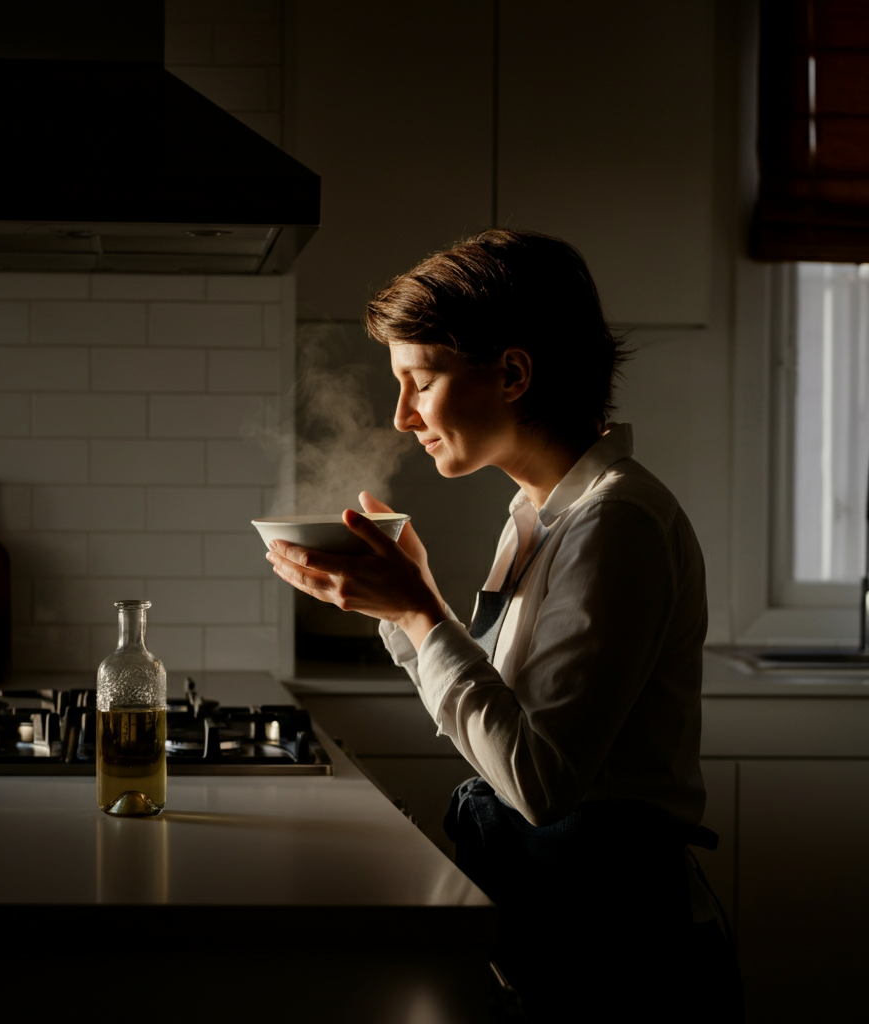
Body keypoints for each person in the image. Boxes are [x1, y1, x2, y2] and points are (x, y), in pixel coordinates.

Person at [265, 230, 743, 1021]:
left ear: (514, 373)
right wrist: (412, 606)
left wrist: (419, 613)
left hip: (624, 960)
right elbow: (498, 726)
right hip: (565, 933)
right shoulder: (538, 516)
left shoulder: (616, 522)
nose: (400, 414)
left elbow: (537, 782)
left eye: (419, 380)